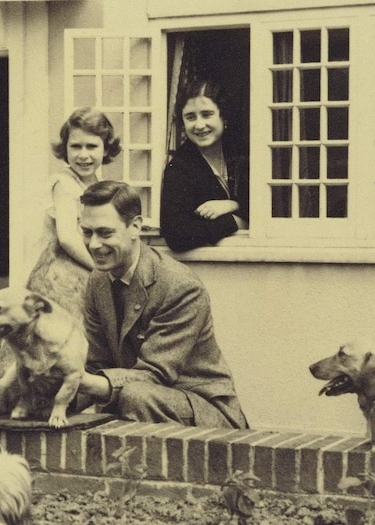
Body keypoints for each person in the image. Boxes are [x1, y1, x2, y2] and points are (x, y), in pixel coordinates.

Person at [76, 180, 248, 429]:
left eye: (105, 233)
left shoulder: (180, 286)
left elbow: (155, 374)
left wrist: (84, 382)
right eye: (86, 232)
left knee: (135, 396)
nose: (93, 245)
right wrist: (55, 389)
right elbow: (96, 365)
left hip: (206, 412)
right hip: (140, 399)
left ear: (135, 227)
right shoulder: (98, 280)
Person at [25, 106, 122, 322]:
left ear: (105, 149)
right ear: (65, 149)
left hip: (83, 269)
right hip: (60, 273)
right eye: (76, 146)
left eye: (92, 146)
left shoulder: (97, 185)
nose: (83, 155)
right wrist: (102, 270)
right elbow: (68, 238)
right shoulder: (65, 185)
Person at [160, 79, 249, 251]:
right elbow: (176, 235)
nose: (199, 125)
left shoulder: (244, 153)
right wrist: (234, 222)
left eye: (207, 114)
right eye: (190, 117)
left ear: (223, 116)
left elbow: (274, 206)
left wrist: (232, 205)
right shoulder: (179, 167)